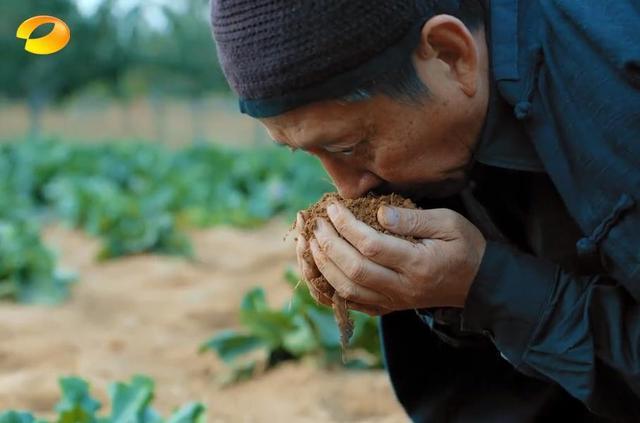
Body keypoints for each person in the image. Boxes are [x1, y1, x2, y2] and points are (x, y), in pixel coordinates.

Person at [209, 1, 640, 421]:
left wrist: (490, 286)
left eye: (348, 146)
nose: (346, 186)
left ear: (451, 55)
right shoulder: (434, 135)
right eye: (306, 152)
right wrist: (446, 295)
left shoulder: (620, 101)